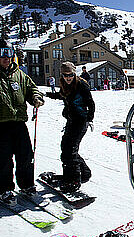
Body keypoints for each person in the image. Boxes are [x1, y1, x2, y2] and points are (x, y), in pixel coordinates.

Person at [0, 39, 44, 205]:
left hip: (18, 123)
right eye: (2, 54)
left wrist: (36, 98)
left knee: (25, 155)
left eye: (9, 54)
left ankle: (26, 185)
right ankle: (4, 189)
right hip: (1, 124)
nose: (6, 58)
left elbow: (31, 88)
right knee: (3, 159)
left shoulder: (19, 74)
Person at [46, 62, 95, 192]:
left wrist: (89, 119)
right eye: (65, 75)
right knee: (67, 148)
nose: (68, 78)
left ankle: (73, 180)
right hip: (71, 120)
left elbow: (91, 103)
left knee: (70, 150)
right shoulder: (64, 84)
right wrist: (46, 95)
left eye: (71, 75)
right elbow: (61, 95)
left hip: (80, 120)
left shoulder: (81, 85)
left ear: (74, 74)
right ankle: (84, 173)